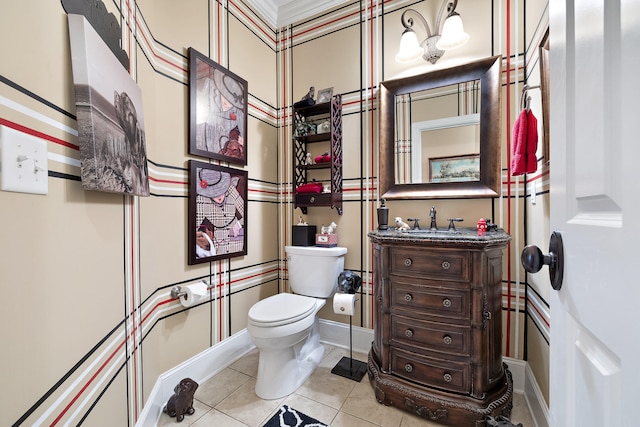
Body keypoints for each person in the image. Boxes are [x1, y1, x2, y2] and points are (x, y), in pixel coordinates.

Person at [195, 168, 244, 258]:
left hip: (237, 234)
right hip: (219, 240)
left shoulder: (231, 190)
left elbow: (246, 212)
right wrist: (205, 238)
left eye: (221, 190)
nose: (218, 196)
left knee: (238, 259)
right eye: (213, 193)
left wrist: (239, 224)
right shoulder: (201, 200)